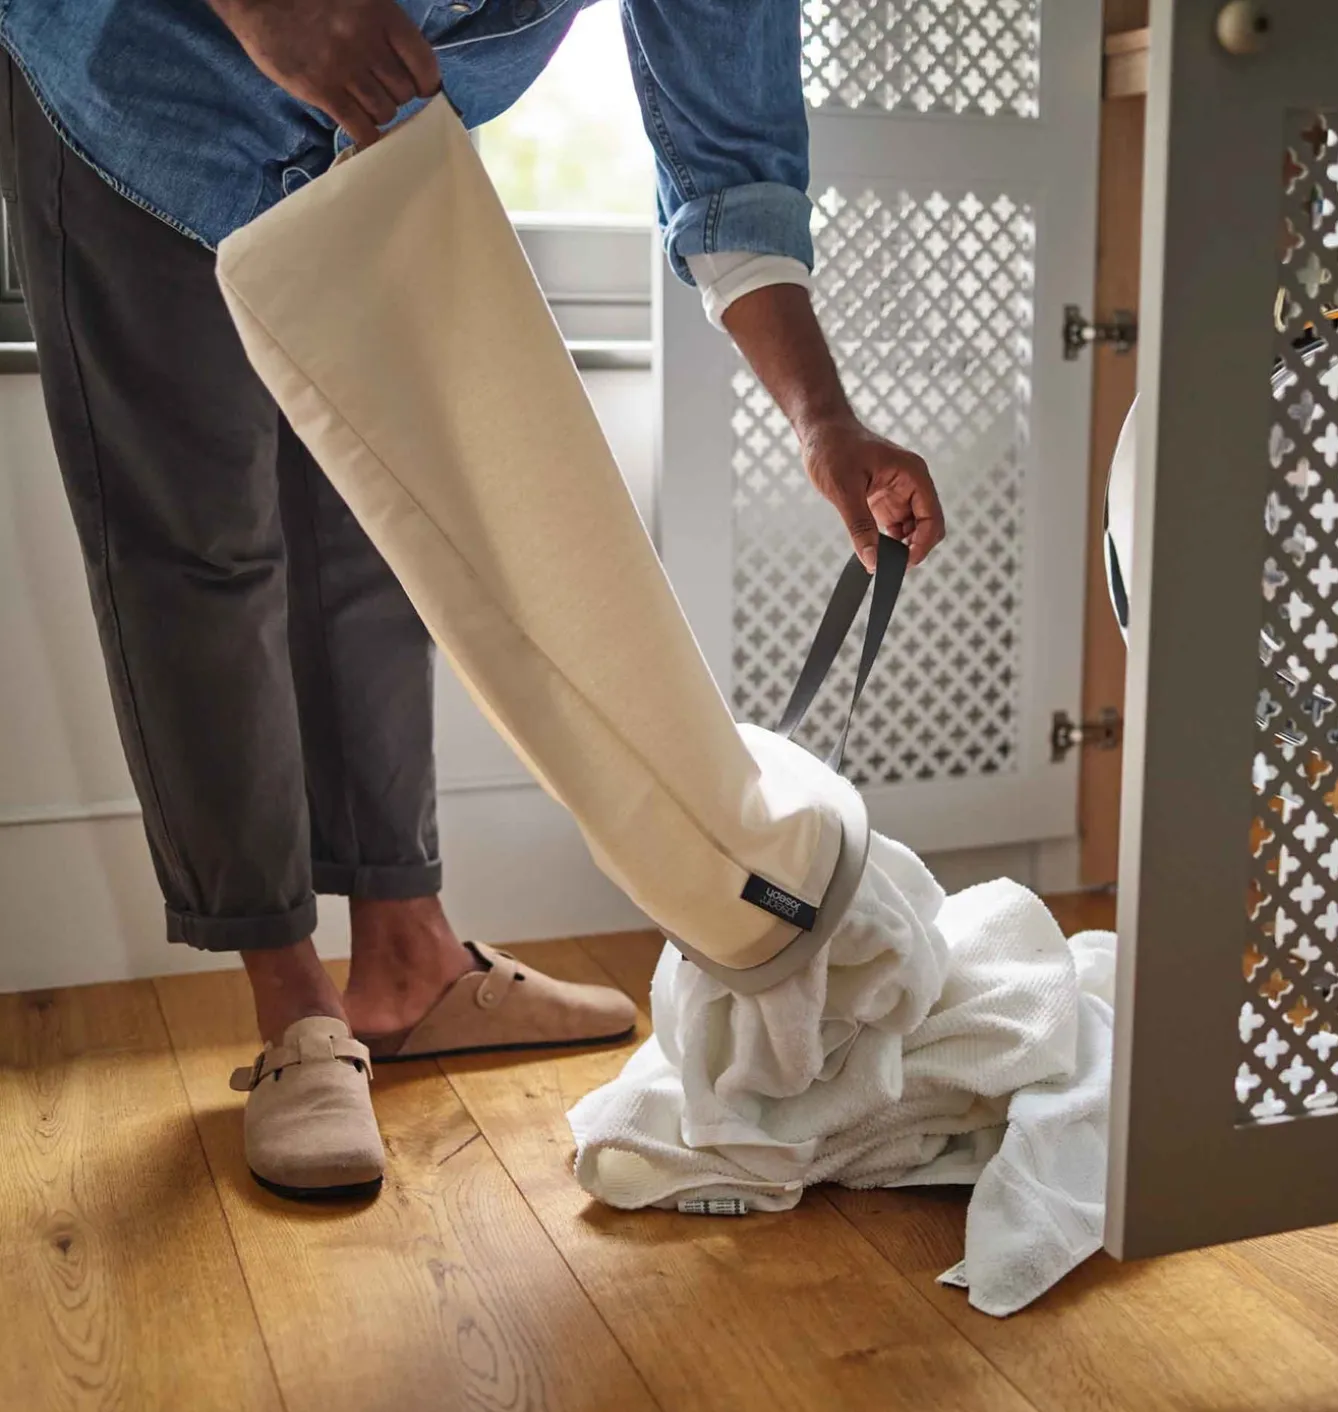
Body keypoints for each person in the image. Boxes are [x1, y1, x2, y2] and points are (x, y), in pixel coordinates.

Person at [0, 0, 944, 1199]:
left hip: (370, 147)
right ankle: (294, 1007)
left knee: (392, 528)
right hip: (140, 86)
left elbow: (730, 152)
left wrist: (824, 421)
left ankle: (411, 961)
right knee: (196, 554)